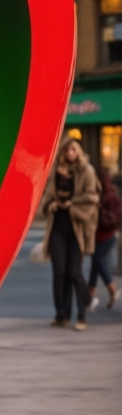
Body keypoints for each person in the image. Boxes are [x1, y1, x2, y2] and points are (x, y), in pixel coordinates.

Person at [42, 136, 100, 330]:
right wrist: (51, 205)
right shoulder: (57, 172)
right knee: (59, 273)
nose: (70, 154)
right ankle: (61, 314)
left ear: (79, 152)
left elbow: (92, 197)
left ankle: (82, 315)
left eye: (73, 150)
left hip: (77, 229)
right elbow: (47, 197)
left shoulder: (87, 171)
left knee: (74, 272)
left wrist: (72, 202)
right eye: (67, 150)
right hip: (58, 227)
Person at [87, 167, 121, 310]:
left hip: (107, 235)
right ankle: (91, 298)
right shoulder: (96, 195)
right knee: (95, 266)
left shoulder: (110, 197)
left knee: (98, 262)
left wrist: (100, 210)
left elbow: (115, 219)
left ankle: (112, 290)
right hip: (97, 235)